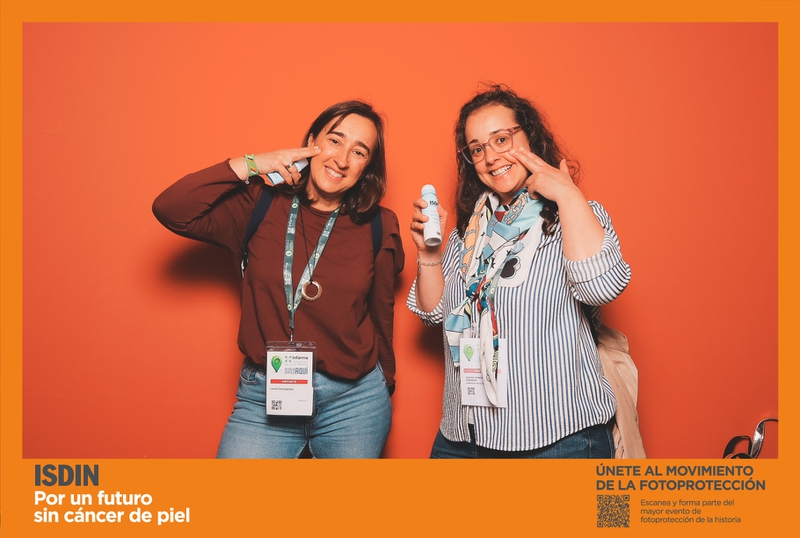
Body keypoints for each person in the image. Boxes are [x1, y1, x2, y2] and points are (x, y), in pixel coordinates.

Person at [153, 100, 404, 458]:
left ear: (367, 167)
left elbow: (381, 313)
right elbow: (171, 208)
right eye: (334, 141)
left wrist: (385, 384)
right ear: (312, 142)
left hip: (354, 402)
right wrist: (253, 163)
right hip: (265, 393)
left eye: (359, 151)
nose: (342, 159)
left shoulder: (379, 224)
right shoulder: (259, 204)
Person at [407, 84, 631, 458]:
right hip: (465, 435)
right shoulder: (470, 232)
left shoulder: (574, 215)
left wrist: (567, 194)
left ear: (530, 136)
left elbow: (601, 287)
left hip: (555, 438)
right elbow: (434, 313)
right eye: (477, 149)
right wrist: (428, 252)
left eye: (501, 139)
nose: (491, 157)